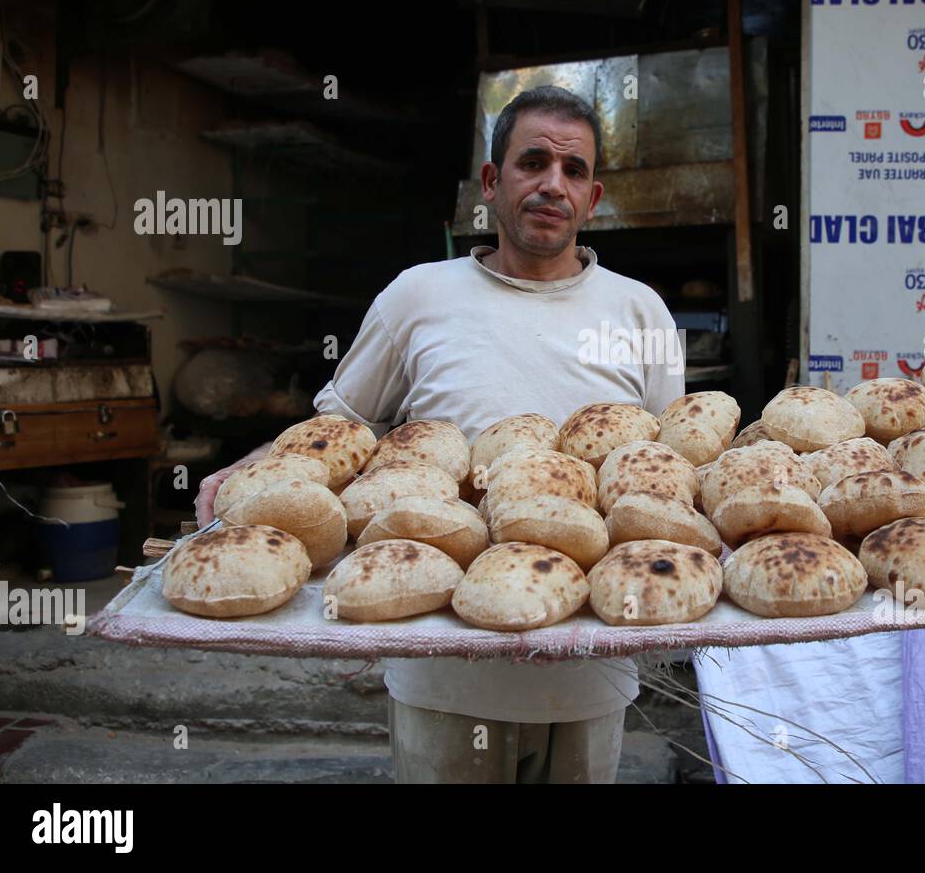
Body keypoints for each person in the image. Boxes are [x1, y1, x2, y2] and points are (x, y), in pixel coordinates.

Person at [195, 85, 684, 782]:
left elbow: (671, 471)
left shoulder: (643, 311)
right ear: (490, 181)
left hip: (588, 668)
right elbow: (337, 431)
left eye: (573, 171)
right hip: (441, 671)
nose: (553, 184)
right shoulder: (418, 294)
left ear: (594, 195)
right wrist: (249, 473)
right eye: (533, 161)